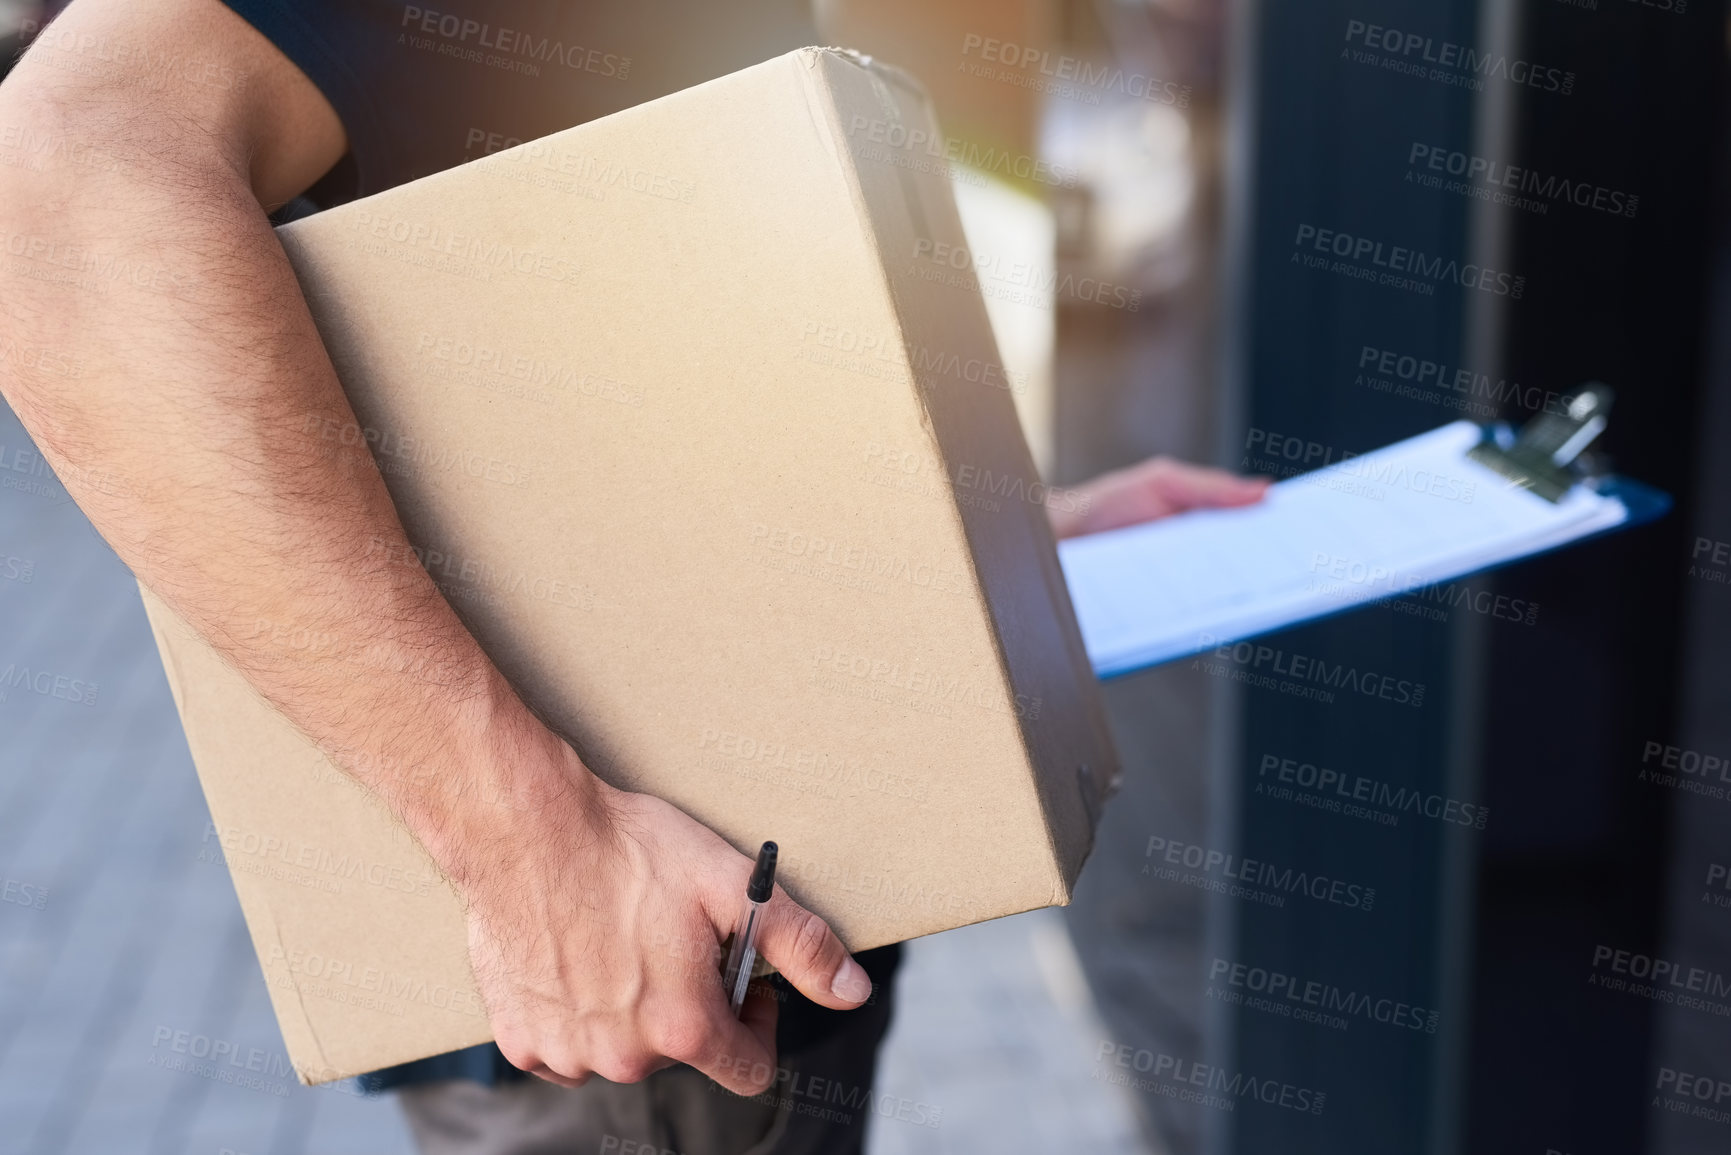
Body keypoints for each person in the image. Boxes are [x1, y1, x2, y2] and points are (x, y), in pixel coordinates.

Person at [0, 1, 1267, 1150]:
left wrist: (969, 541)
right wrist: (528, 847)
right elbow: (50, 201)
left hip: (742, 918)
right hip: (635, 986)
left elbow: (631, 343)